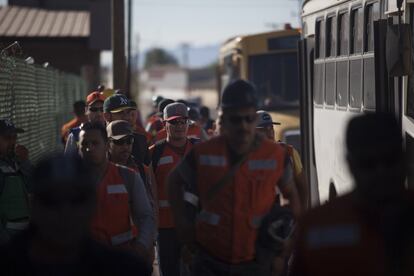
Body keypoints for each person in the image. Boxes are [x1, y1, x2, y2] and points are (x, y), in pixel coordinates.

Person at [168, 80, 301, 276]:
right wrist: (184, 229)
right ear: (224, 118)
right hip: (211, 257)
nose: (243, 126)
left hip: (256, 258)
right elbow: (173, 181)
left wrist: (283, 248)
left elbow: (294, 195)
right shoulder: (204, 152)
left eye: (249, 119)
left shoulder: (274, 154)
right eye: (236, 119)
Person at [290, 112, 414, 276]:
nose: (381, 172)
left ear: (405, 159)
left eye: (390, 160)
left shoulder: (317, 226)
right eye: (368, 164)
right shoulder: (316, 227)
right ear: (350, 165)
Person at [0, 154, 151, 275]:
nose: (65, 212)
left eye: (76, 199)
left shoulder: (126, 269)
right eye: (52, 200)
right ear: (33, 205)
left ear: (92, 205)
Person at [78, 122, 155, 267]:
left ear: (106, 145)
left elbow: (146, 216)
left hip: (121, 258)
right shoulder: (70, 182)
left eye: (95, 143)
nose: (89, 148)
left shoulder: (128, 177)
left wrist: (141, 247)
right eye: (84, 144)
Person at [149, 102, 199, 276]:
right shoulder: (154, 153)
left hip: (196, 226)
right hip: (166, 228)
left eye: (183, 121)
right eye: (174, 122)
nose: (179, 126)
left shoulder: (199, 150)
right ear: (164, 125)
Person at [256, 110, 309, 209]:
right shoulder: (247, 156)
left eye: (271, 128)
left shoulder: (289, 152)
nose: (270, 133)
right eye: (263, 129)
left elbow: (303, 186)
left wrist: (301, 214)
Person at [0, 119, 32, 245]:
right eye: (7, 138)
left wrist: (25, 162)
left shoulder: (15, 162)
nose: (13, 142)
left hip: (23, 233)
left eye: (14, 138)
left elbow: (33, 186)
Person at [104, 94, 151, 165]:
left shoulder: (140, 141)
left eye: (128, 113)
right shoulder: (97, 141)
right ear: (107, 116)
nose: (127, 117)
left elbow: (148, 174)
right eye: (120, 113)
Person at [64, 91, 106, 155]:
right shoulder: (75, 135)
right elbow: (68, 162)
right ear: (86, 110)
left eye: (102, 109)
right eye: (93, 109)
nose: (99, 113)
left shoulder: (112, 132)